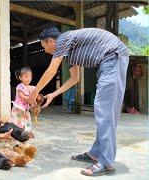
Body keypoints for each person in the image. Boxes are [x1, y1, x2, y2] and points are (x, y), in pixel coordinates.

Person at [28, 27, 129, 176]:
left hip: (113, 58)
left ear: (51, 41)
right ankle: (95, 154)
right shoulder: (69, 52)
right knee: (103, 109)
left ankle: (107, 162)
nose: (45, 51)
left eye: (44, 47)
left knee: (105, 110)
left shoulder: (63, 40)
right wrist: (53, 94)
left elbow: (51, 70)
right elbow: (74, 78)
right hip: (109, 61)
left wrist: (34, 92)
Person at [11, 67, 35, 131]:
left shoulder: (31, 87)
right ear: (20, 78)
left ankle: (27, 131)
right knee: (18, 120)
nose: (28, 78)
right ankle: (17, 131)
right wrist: (30, 98)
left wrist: (33, 102)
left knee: (27, 120)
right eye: (26, 77)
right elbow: (22, 96)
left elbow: (34, 96)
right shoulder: (20, 86)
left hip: (25, 108)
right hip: (19, 107)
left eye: (30, 77)